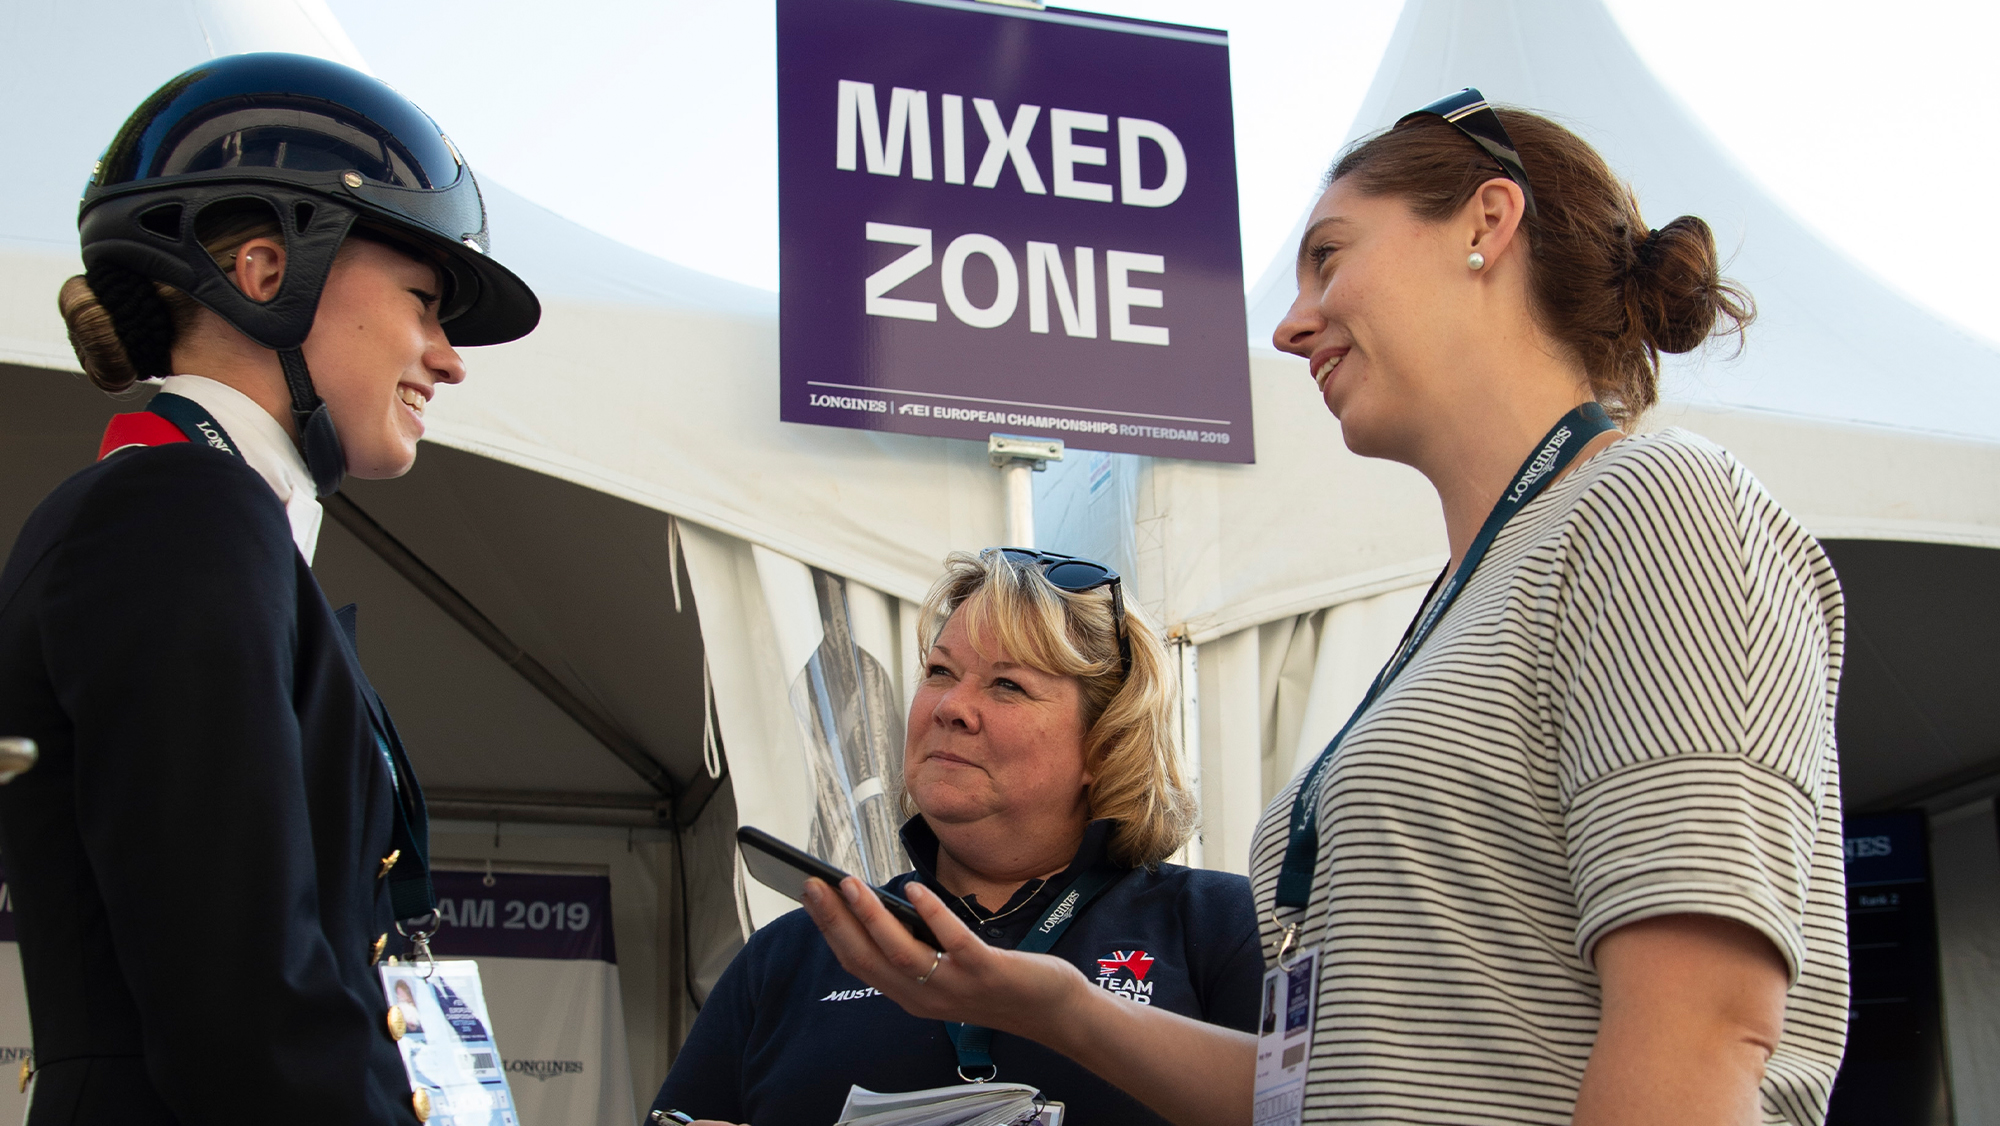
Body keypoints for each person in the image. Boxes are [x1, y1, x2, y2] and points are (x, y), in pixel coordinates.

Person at [804, 89, 1848, 1126]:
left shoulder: (1654, 503)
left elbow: (1699, 1033)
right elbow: (1321, 1092)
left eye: (1328, 257)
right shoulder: (1463, 599)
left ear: (1487, 223)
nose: (1291, 323)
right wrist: (1062, 1010)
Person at [0, 52, 538, 1122]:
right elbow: (246, 1006)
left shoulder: (200, 513)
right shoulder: (178, 513)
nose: (449, 357)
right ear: (266, 268)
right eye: (425, 301)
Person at [651, 548, 1263, 1125]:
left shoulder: (1225, 928)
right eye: (940, 671)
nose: (951, 707)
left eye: (1007, 684)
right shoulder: (790, 954)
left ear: (1105, 745)